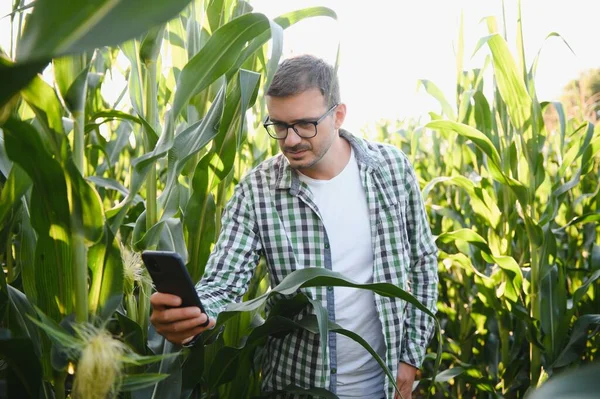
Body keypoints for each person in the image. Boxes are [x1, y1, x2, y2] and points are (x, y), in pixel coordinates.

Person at [150, 54, 439, 399]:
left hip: (385, 386)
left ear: (339, 115)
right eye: (279, 126)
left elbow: (423, 261)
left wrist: (410, 357)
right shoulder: (257, 191)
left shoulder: (391, 169)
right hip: (297, 388)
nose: (290, 140)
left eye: (305, 124)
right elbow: (223, 285)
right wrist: (194, 318)